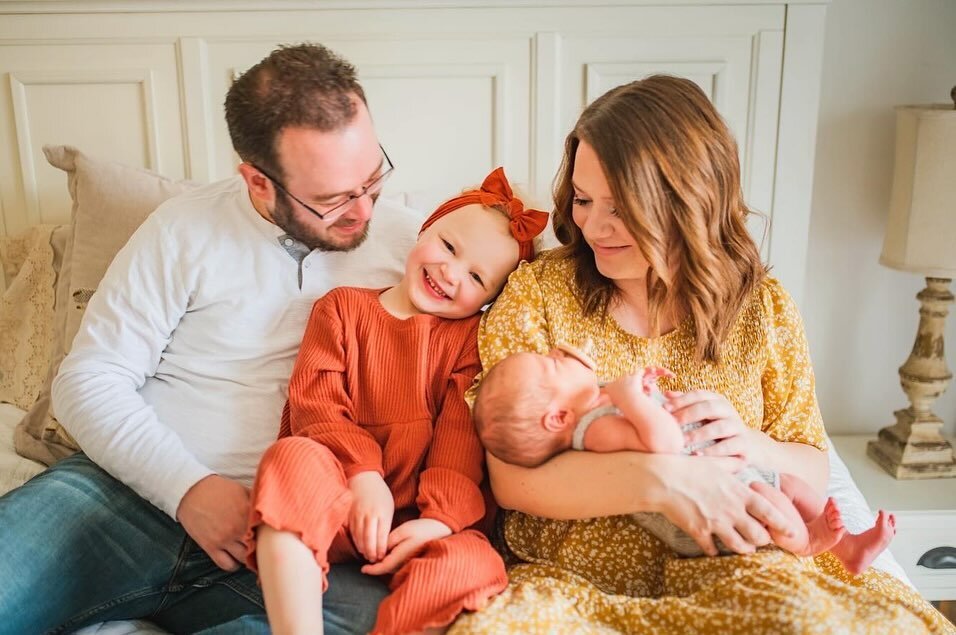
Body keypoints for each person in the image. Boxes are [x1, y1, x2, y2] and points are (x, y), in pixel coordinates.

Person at [447, 75, 954, 633]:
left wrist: (750, 441)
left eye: (620, 207)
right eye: (584, 200)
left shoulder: (762, 309)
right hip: (574, 579)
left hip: (741, 564)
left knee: (815, 621)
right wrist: (664, 483)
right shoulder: (539, 294)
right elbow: (512, 478)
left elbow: (812, 460)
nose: (591, 224)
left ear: (688, 200)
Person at [0, 43, 422, 634]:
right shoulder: (182, 228)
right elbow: (88, 378)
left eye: (373, 179)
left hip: (304, 538)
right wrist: (188, 489)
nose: (362, 210)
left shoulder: (417, 248)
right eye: (332, 199)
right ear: (258, 180)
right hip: (129, 499)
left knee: (389, 617)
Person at [244, 167, 547, 634]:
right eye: (448, 246)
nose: (450, 273)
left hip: (415, 521)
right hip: (338, 493)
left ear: (490, 300)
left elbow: (458, 444)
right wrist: (363, 477)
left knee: (475, 563)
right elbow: (316, 403)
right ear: (425, 229)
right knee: (289, 459)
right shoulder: (341, 308)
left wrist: (440, 522)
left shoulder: (470, 342)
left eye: (476, 278)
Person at [473, 344, 896, 573]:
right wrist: (630, 396)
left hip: (735, 465)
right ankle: (807, 544)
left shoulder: (597, 401)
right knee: (778, 507)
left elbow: (811, 452)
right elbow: (662, 444)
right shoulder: (593, 428)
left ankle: (849, 548)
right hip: (716, 508)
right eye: (551, 365)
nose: (557, 354)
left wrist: (741, 435)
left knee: (797, 489)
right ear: (559, 417)